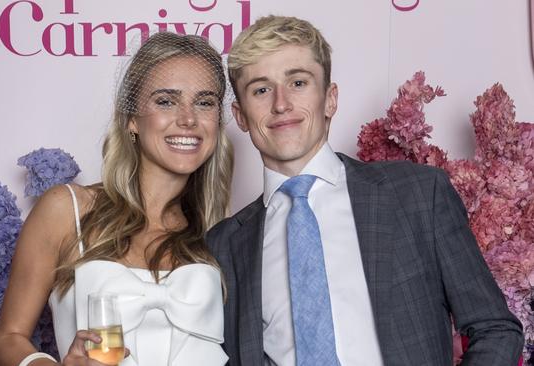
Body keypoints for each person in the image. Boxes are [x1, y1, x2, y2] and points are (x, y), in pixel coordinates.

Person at [206, 15, 524, 366]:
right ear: (240, 115)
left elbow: (495, 329)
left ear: (330, 99)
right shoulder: (224, 245)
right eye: (261, 90)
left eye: (298, 82)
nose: (281, 104)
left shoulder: (418, 195)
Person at [0, 32, 233, 366]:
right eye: (166, 101)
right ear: (131, 118)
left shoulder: (221, 230)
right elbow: (7, 339)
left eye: (204, 102)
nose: (188, 119)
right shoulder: (67, 210)